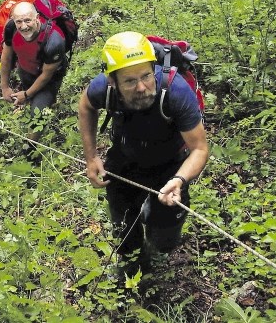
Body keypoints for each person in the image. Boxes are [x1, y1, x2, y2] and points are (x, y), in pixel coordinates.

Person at [77, 31, 209, 280]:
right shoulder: (102, 88)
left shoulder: (176, 92)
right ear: (113, 82)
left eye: (147, 76)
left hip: (170, 166)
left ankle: (155, 241)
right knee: (124, 227)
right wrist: (91, 156)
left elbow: (200, 148)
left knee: (164, 241)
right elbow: (86, 106)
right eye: (129, 81)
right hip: (124, 161)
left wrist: (179, 181)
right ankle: (132, 267)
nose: (141, 87)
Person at [0, 1, 67, 141]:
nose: (23, 26)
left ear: (37, 17)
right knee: (32, 101)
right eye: (19, 21)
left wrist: (26, 94)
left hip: (49, 79)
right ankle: (38, 103)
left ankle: (30, 148)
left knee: (37, 115)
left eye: (28, 20)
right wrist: (4, 87)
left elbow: (46, 75)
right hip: (25, 70)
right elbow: (6, 57)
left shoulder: (54, 40)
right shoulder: (11, 28)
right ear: (13, 20)